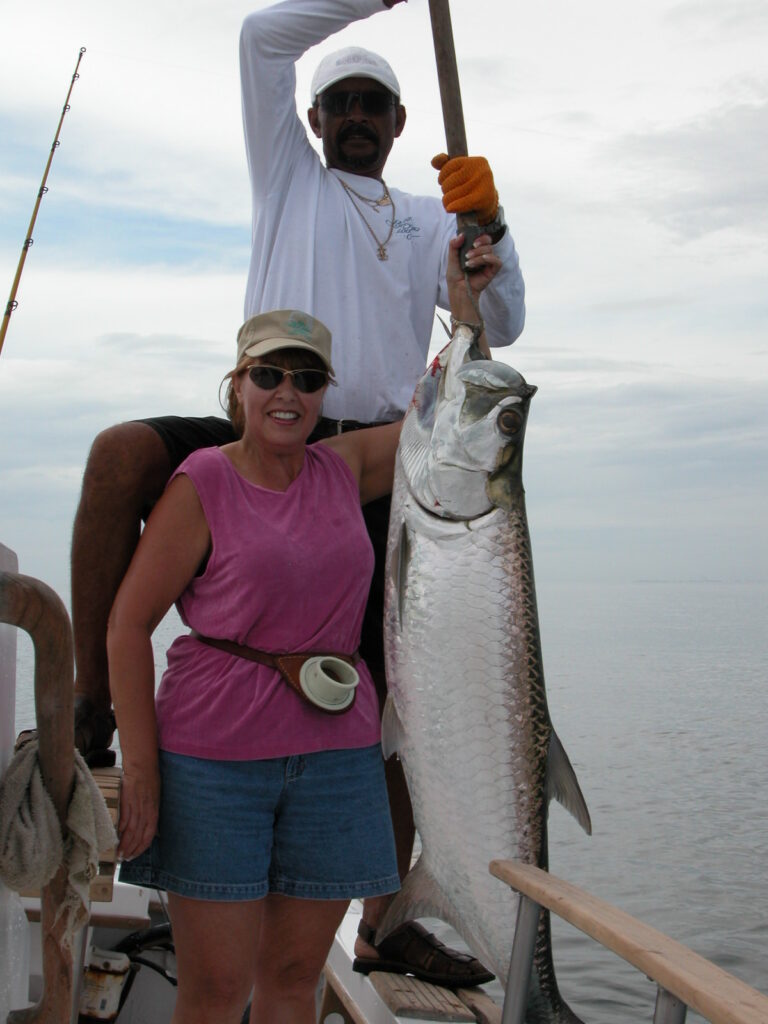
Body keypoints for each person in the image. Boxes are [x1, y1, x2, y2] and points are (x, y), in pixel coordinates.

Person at [72, 0, 525, 985]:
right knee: (116, 457)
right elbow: (259, 38)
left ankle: (384, 913)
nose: (356, 114)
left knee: (398, 689)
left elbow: (504, 319)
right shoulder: (287, 178)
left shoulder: (428, 215)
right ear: (313, 120)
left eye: (375, 103)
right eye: (339, 102)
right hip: (266, 424)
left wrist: (488, 223)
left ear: (400, 123)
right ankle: (92, 699)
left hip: (376, 454)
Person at [108, 234, 501, 1024]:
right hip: (214, 764)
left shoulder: (345, 466)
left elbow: (458, 414)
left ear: (326, 390)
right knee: (217, 990)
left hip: (335, 762)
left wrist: (463, 310)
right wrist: (142, 766)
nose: (287, 392)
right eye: (269, 374)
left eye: (308, 377)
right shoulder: (204, 483)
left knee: (293, 982)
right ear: (238, 385)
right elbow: (127, 628)